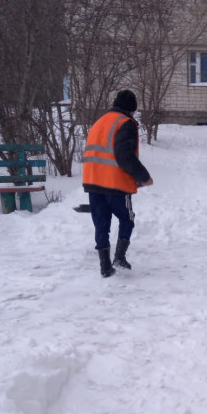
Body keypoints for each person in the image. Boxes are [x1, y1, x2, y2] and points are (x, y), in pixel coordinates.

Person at [82, 90, 153, 278]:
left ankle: (105, 266)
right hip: (115, 183)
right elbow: (124, 155)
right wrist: (143, 176)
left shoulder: (99, 122)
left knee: (101, 223)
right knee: (127, 218)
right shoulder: (125, 123)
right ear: (131, 109)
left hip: (93, 181)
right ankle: (119, 257)